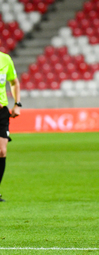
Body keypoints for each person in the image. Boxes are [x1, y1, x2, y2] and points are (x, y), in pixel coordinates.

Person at [0, 49, 22, 202]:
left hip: (2, 112)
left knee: (1, 151)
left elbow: (14, 82)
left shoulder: (5, 59)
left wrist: (17, 104)